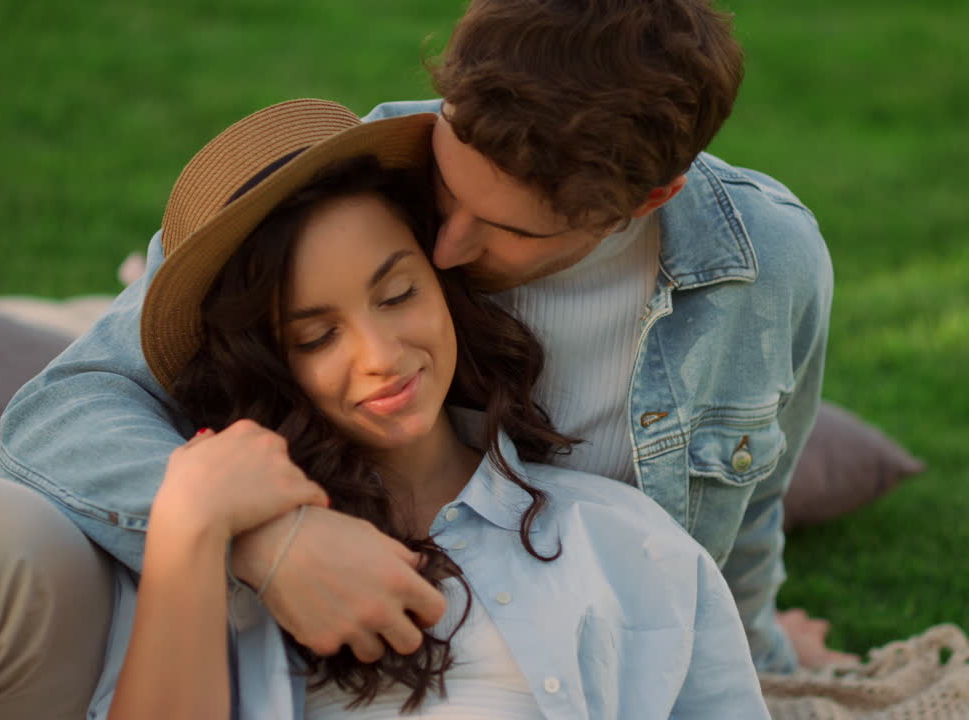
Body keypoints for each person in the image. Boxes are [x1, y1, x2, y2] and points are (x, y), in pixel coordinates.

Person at [0, 1, 836, 716]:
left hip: (518, 607)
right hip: (224, 595)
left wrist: (753, 656)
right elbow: (66, 407)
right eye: (443, 186)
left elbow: (744, 516)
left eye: (498, 229)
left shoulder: (760, 270)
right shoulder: (338, 175)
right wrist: (264, 541)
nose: (448, 240)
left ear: (643, 201)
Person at [91, 97, 768, 719]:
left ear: (442, 282)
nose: (380, 355)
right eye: (316, 336)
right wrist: (193, 524)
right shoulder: (201, 557)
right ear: (266, 364)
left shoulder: (623, 543)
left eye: (397, 295)